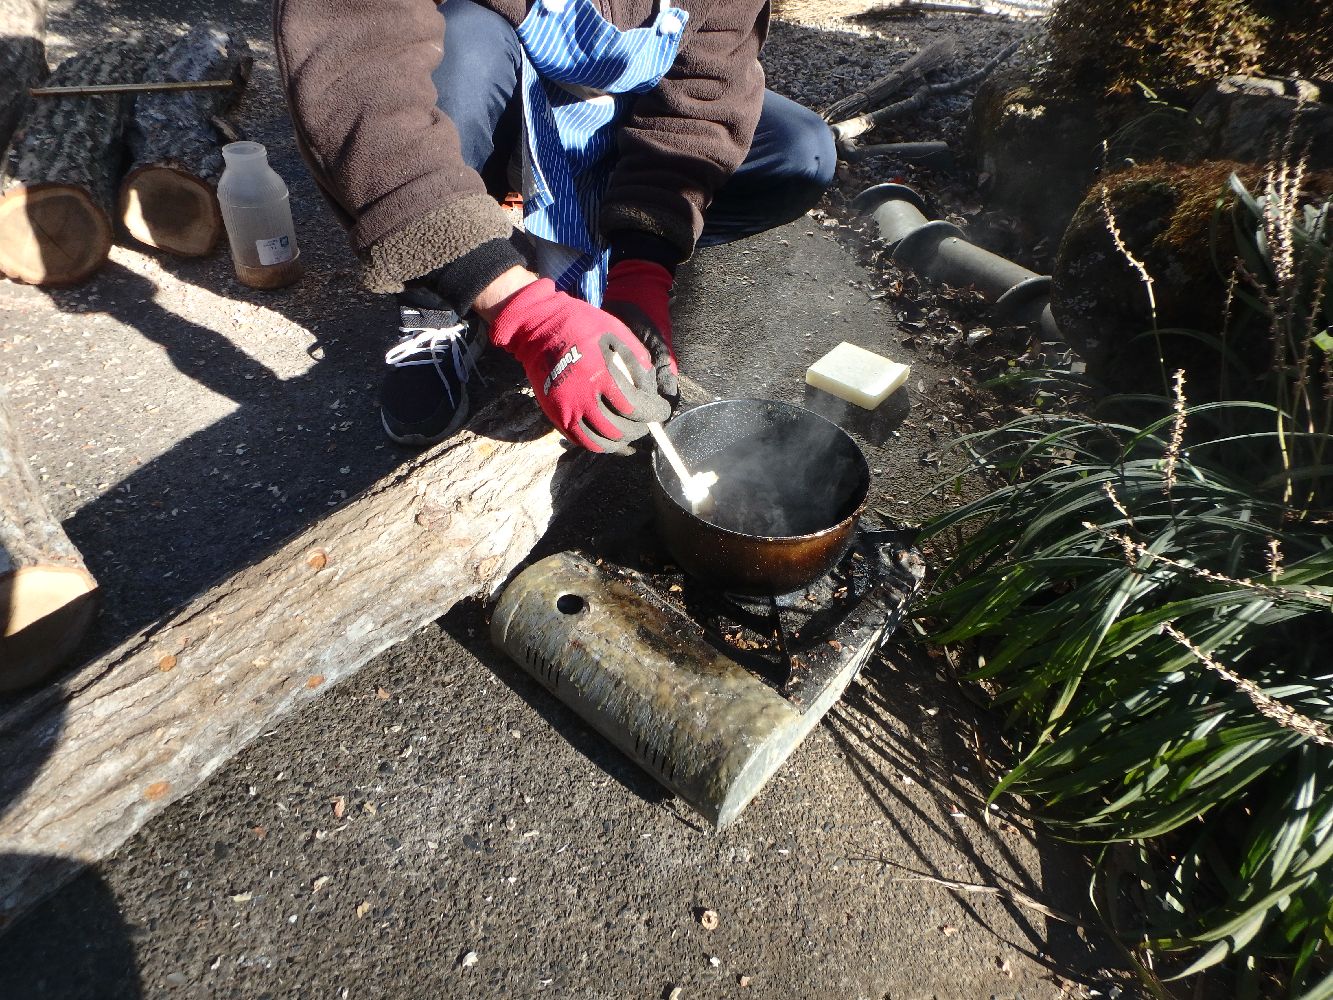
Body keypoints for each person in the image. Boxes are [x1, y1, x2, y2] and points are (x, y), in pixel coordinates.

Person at [275, 0, 836, 452]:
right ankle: (441, 296)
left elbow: (704, 94)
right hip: (495, 92)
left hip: (614, 119)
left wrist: (643, 268)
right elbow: (357, 71)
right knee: (464, 47)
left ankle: (606, 263)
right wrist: (522, 311)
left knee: (798, 152)